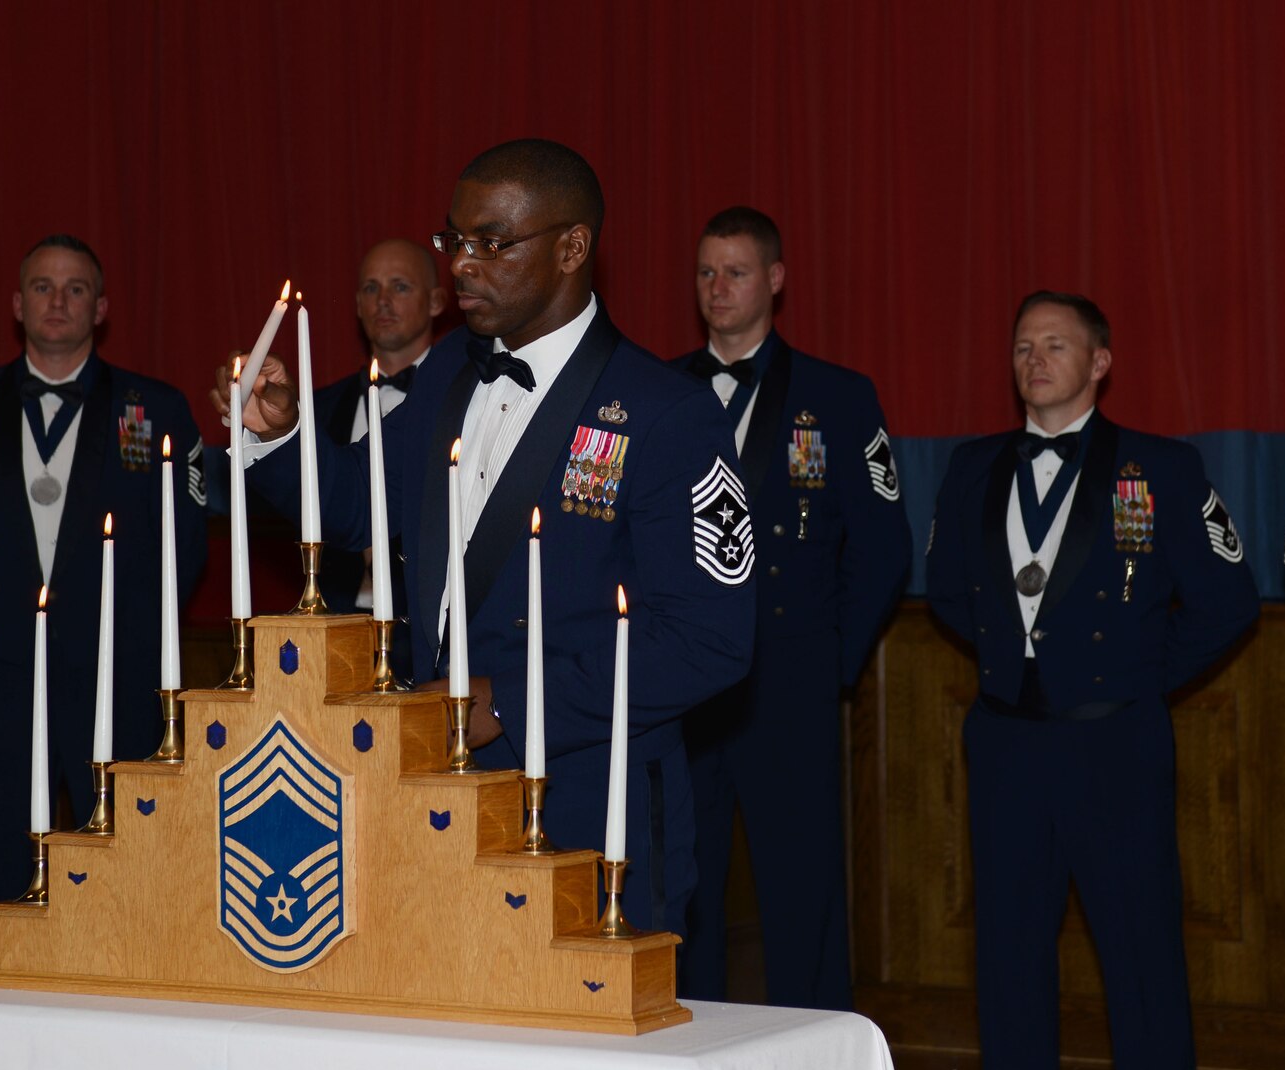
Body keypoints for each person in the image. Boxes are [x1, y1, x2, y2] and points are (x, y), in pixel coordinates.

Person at [222, 138, 755, 933]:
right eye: (455, 240)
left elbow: (708, 639)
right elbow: (362, 507)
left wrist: (509, 703)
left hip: (589, 804)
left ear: (573, 247)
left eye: (492, 243)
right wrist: (275, 435)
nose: (463, 265)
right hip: (443, 798)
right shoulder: (446, 376)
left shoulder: (665, 412)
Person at [926, 291, 1258, 1070]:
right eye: (1023, 347)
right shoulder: (972, 466)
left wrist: (1135, 672)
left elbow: (1228, 601)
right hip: (1006, 740)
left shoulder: (1163, 468)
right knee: (1008, 959)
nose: (1035, 361)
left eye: (1056, 346)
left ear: (1100, 363)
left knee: (1141, 958)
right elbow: (943, 590)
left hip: (1114, 742)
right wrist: (1013, 659)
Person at [668, 206, 908, 1008]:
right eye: (705, 272)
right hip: (684, 690)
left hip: (790, 684)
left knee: (802, 890)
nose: (718, 288)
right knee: (681, 889)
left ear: (775, 279)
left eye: (736, 272)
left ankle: (817, 1066)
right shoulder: (655, 392)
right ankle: (682, 1059)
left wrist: (826, 664)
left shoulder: (838, 397)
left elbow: (881, 549)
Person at [0, 234, 208, 906]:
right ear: (17, 305)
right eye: (43, 287)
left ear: (100, 308)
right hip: (2, 668)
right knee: (4, 857)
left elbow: (185, 544)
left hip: (118, 671)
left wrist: (122, 636)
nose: (58, 301)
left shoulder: (157, 408)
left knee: (123, 868)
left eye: (75, 288)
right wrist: (8, 622)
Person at [299, 238, 443, 670]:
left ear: (436, 301)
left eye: (400, 287)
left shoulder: (468, 401)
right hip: (332, 628)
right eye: (369, 288)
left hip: (429, 633)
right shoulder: (315, 410)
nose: (383, 301)